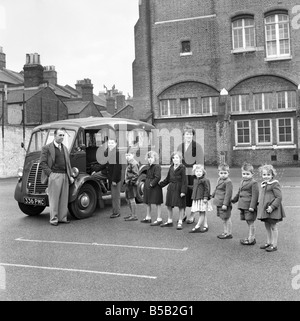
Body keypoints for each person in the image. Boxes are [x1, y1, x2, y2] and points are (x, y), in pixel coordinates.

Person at [40, 128, 74, 226]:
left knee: (64, 198)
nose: (62, 137)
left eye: (63, 135)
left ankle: (62, 218)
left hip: (64, 175)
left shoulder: (65, 148)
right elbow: (42, 163)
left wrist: (70, 175)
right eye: (60, 135)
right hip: (54, 175)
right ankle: (54, 219)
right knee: (54, 199)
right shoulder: (47, 148)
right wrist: (50, 174)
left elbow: (68, 164)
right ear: (54, 136)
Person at [177, 125, 205, 226]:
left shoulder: (197, 147)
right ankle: (183, 214)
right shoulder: (180, 146)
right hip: (182, 174)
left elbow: (201, 162)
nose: (188, 136)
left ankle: (192, 215)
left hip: (193, 175)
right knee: (182, 193)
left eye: (190, 134)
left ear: (193, 135)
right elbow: (177, 160)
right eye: (186, 134)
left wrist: (196, 168)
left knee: (194, 195)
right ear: (183, 135)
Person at [257, 164, 286, 252]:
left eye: (268, 175)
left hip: (272, 209)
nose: (266, 177)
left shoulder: (274, 184)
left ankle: (274, 245)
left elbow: (279, 197)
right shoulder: (264, 184)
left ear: (272, 175)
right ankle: (269, 242)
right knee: (267, 225)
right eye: (264, 175)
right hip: (265, 209)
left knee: (273, 226)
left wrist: (272, 207)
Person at [92, 136, 122, 218]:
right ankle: (103, 188)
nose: (110, 144)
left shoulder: (117, 153)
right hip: (108, 173)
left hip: (114, 177)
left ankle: (116, 212)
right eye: (109, 143)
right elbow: (105, 163)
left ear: (116, 143)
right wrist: (96, 170)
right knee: (94, 176)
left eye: (112, 143)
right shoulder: (109, 151)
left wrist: (115, 180)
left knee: (115, 196)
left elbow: (117, 168)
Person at [231, 162, 259, 245]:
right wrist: (234, 200)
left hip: (249, 206)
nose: (245, 175)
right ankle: (251, 237)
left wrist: (252, 206)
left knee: (251, 222)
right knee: (248, 221)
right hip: (243, 205)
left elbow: (255, 196)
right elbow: (239, 192)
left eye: (247, 174)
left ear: (252, 174)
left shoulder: (254, 183)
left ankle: (251, 239)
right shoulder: (242, 181)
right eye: (243, 173)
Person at [159, 151, 187, 230]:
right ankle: (169, 221)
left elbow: (185, 181)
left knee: (180, 206)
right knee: (169, 205)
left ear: (180, 159)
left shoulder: (182, 168)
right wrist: (160, 185)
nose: (175, 159)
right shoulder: (171, 167)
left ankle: (180, 222)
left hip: (179, 188)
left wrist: (183, 191)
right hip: (171, 188)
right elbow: (168, 179)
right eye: (173, 158)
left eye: (177, 158)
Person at [189, 164, 213, 233]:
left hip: (202, 199)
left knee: (202, 212)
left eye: (200, 171)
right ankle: (205, 225)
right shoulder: (195, 180)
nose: (198, 173)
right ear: (194, 172)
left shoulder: (205, 180)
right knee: (201, 212)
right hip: (197, 198)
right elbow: (194, 187)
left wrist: (205, 197)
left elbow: (207, 189)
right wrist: (187, 187)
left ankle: (197, 226)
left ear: (203, 172)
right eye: (197, 171)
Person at [211, 163, 233, 239]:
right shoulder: (219, 179)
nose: (223, 175)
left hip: (224, 203)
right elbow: (217, 188)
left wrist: (225, 204)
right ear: (218, 173)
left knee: (227, 218)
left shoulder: (228, 182)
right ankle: (225, 232)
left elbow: (228, 194)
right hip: (219, 201)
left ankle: (228, 233)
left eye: (225, 173)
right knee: (223, 218)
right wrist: (213, 195)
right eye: (221, 173)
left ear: (228, 173)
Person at [141, 151, 163, 224]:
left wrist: (151, 184)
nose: (150, 159)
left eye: (151, 157)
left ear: (155, 158)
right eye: (149, 157)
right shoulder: (149, 166)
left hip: (155, 186)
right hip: (148, 185)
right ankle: (148, 217)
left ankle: (159, 219)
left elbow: (158, 177)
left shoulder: (157, 166)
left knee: (157, 202)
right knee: (147, 201)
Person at [123, 146, 139, 221]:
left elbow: (136, 175)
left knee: (132, 199)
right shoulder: (129, 163)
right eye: (126, 155)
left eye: (129, 155)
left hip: (131, 184)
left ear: (133, 155)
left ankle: (134, 215)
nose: (127, 157)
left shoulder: (134, 163)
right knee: (127, 199)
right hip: (128, 183)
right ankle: (132, 213)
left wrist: (130, 182)